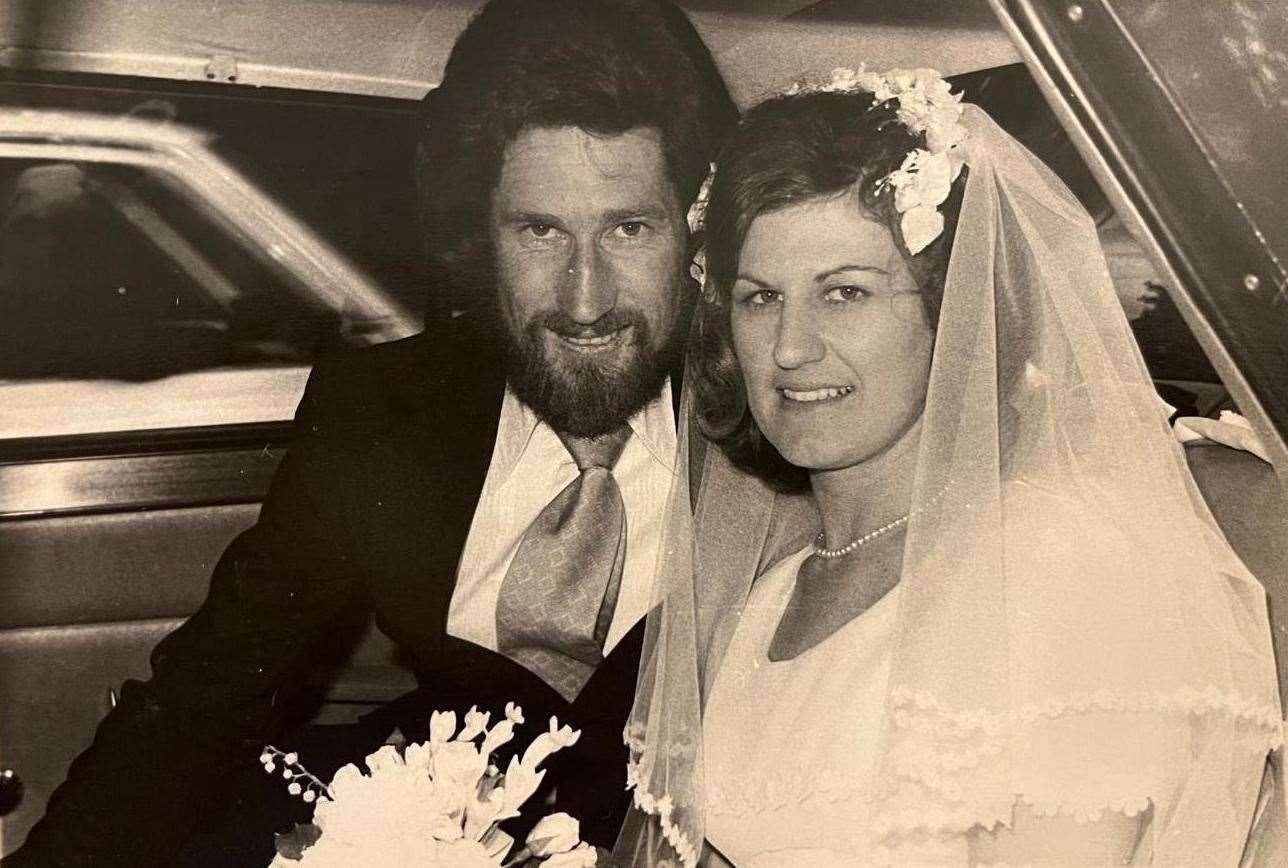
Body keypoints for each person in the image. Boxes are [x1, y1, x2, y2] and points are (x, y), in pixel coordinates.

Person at [5, 2, 737, 865]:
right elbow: (206, 697)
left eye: (628, 228)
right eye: (539, 230)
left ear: (693, 231)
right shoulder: (388, 410)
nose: (585, 299)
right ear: (481, 238)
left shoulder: (768, 415)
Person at [618, 69, 1284, 866]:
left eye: (846, 294)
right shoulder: (763, 597)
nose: (790, 348)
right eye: (760, 298)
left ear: (955, 308)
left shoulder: (1061, 573)